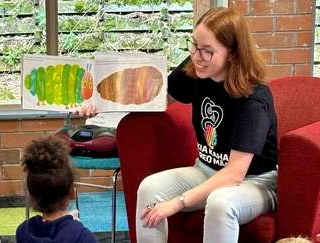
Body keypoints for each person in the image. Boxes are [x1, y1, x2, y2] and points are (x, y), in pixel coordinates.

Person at [77, 6, 279, 243]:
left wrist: (177, 202)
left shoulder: (253, 98)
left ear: (233, 53)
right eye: (194, 45)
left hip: (255, 182)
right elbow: (154, 100)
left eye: (207, 51)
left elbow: (234, 174)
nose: (196, 57)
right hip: (205, 170)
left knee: (220, 203)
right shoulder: (197, 69)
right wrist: (101, 106)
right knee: (149, 189)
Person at [16, 135, 98, 243]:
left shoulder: (23, 232)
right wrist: (70, 226)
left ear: (30, 196)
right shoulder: (83, 236)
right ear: (73, 193)